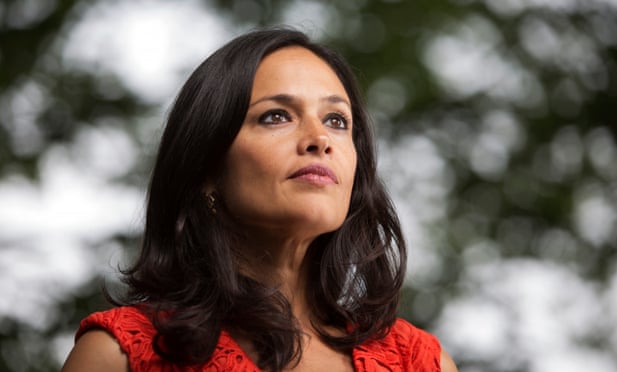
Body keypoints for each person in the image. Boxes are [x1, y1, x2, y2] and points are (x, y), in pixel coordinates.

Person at [62, 28, 458, 372]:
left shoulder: (420, 361)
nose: (320, 139)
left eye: (337, 120)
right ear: (207, 170)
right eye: (276, 116)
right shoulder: (121, 357)